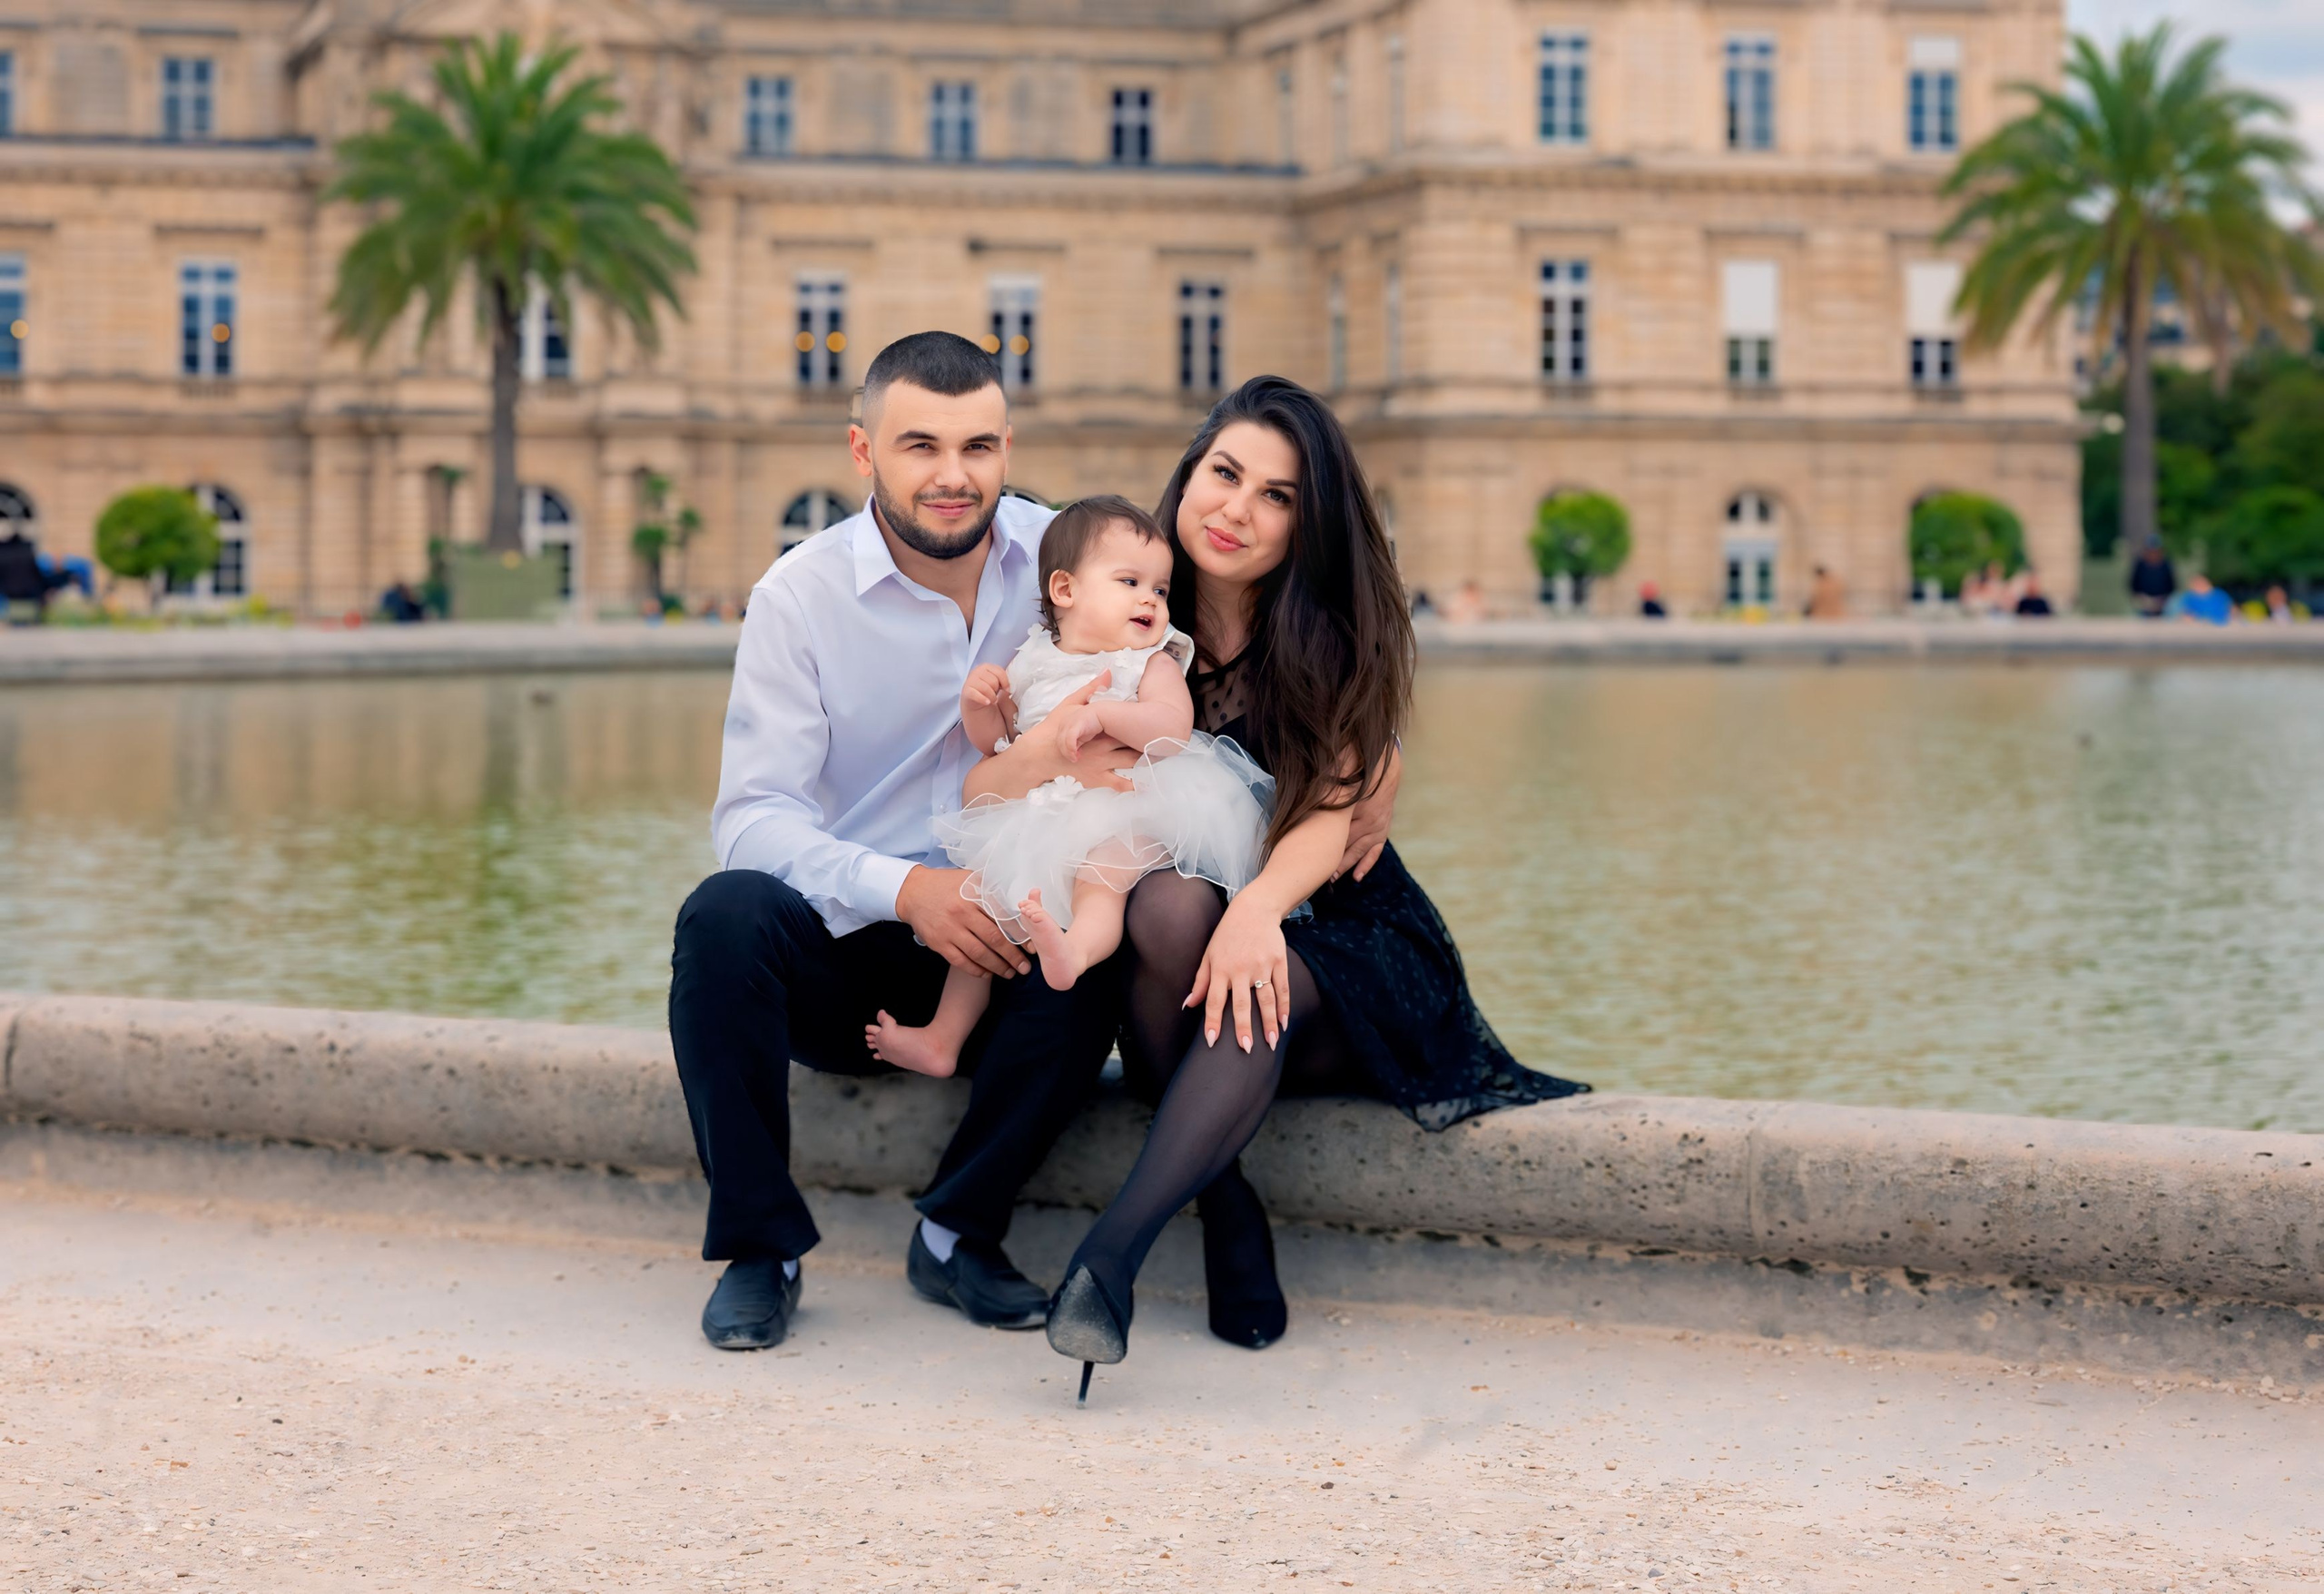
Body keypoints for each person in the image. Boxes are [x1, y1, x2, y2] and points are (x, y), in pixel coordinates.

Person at [960, 377, 1589, 1396]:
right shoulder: (1116, 614)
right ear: (1190, 472)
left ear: (1306, 524)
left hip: (1337, 933)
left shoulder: (1327, 638)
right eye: (1224, 473)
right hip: (1180, 933)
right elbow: (991, 779)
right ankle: (1228, 1196)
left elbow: (1327, 825)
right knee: (1165, 901)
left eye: (1277, 496)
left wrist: (1257, 910)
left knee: (1224, 935)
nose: (1236, 509)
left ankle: (1110, 1256)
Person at [667, 331, 1150, 1352]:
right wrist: (905, 891)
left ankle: (954, 1232)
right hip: (853, 948)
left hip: (1011, 933)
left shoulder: (1065, 561)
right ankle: (762, 1248)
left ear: (1006, 448)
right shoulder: (798, 596)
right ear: (862, 451)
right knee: (722, 916)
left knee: (1112, 928)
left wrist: (1355, 772)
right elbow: (752, 817)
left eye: (977, 447)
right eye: (919, 445)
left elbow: (1197, 632)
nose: (951, 475)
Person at [864, 495, 1272, 1078]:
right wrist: (981, 704)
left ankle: (1075, 951)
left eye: (1160, 589)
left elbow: (1173, 728)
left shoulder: (1151, 659)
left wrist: (1107, 717)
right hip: (1043, 808)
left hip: (1130, 804)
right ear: (1065, 591)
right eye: (1130, 581)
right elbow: (1001, 743)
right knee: (986, 896)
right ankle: (943, 1038)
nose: (1150, 600)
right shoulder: (1034, 657)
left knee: (1099, 879)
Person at [2129, 542, 2176, 618]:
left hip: (2162, 604)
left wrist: (2163, 600)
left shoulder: (2166, 564)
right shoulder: (2140, 565)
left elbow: (2172, 585)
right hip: (2144, 603)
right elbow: (2133, 584)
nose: (2153, 554)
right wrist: (2141, 599)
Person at [2168, 572, 2232, 625]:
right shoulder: (2189, 597)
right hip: (2199, 626)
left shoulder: (2219, 594)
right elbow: (2183, 613)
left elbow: (2231, 609)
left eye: (2201, 582)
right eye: (2196, 583)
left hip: (2221, 625)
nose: (2199, 585)